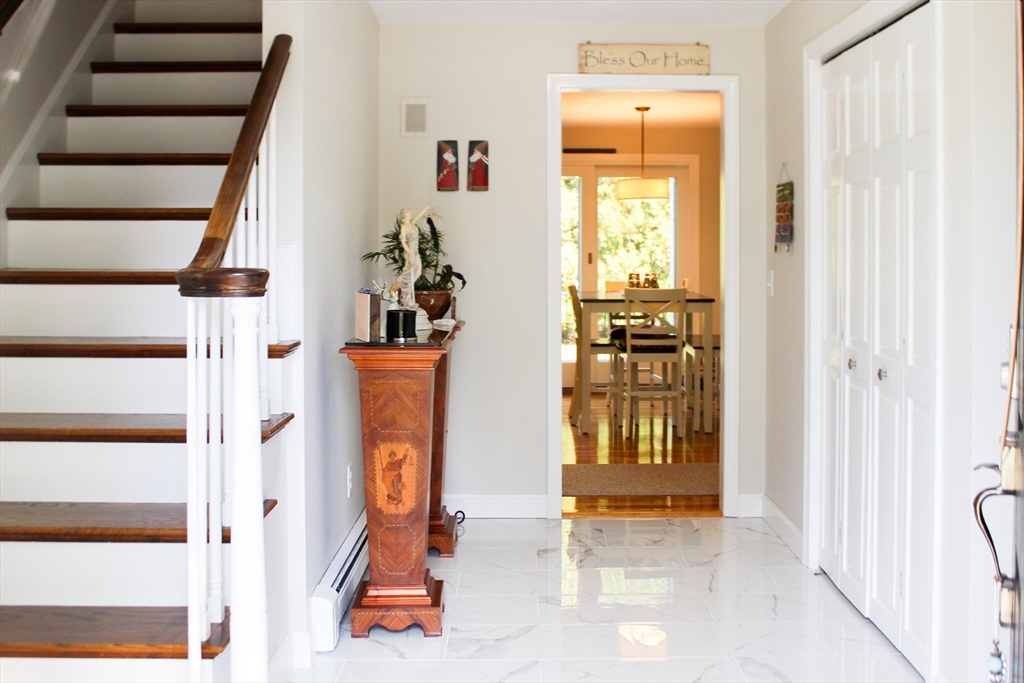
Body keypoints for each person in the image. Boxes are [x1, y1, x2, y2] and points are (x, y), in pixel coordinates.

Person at [396, 203, 433, 310]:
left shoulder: (412, 223)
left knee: (418, 272)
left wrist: (428, 206)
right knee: (410, 274)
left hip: (415, 250)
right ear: (406, 214)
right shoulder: (404, 227)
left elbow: (420, 215)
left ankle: (408, 299)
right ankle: (407, 301)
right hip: (410, 251)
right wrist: (410, 254)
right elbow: (403, 242)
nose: (412, 213)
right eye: (410, 212)